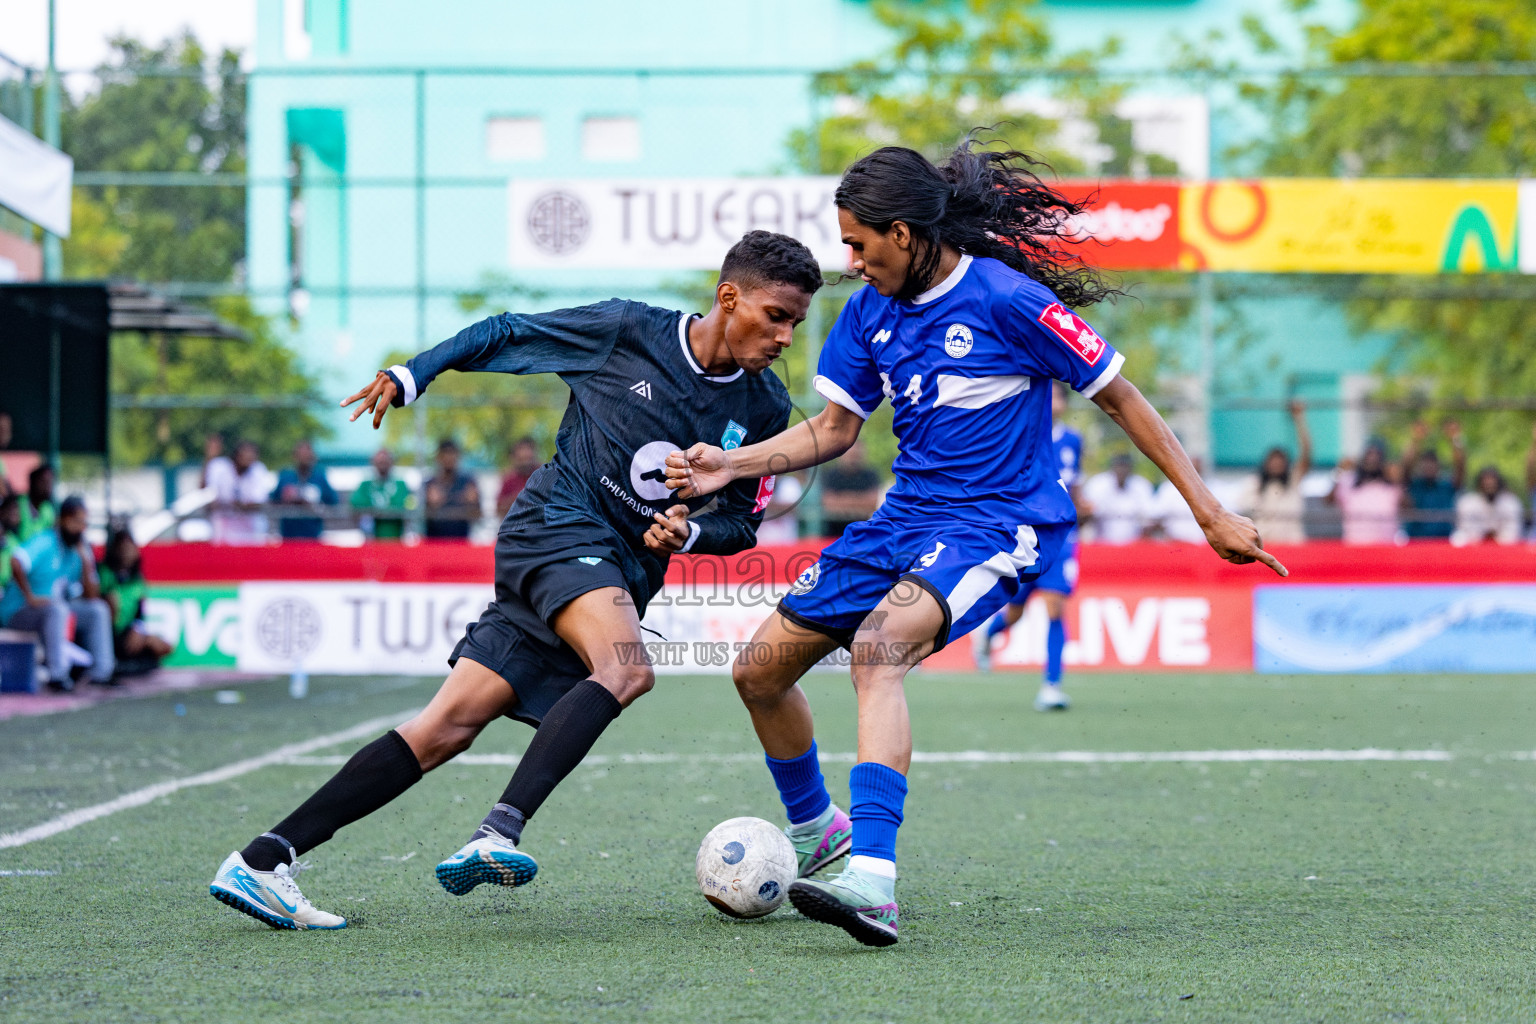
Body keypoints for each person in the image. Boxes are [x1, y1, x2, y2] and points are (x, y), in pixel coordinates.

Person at [666, 140, 1284, 948]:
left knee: (879, 651)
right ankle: (821, 831)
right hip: (904, 521)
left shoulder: (1008, 301)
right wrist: (729, 466)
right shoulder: (866, 312)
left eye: (858, 242)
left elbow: (1121, 397)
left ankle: (874, 884)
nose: (848, 259)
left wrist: (1208, 511)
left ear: (903, 232)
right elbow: (832, 429)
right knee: (758, 672)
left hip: (998, 523)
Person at [208, 229, 821, 931]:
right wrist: (414, 374)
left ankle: (263, 861)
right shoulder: (628, 330)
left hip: (610, 573)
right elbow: (509, 331)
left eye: (795, 323)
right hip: (557, 527)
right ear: (728, 297)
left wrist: (690, 532)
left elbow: (741, 523)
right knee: (625, 667)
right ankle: (498, 831)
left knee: (444, 728)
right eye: (776, 316)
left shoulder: (767, 410)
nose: (784, 335)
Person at [973, 381, 1082, 712]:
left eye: (1060, 397)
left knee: (1055, 608)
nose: (1055, 403)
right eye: (1051, 397)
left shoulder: (1074, 440)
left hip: (1061, 538)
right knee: (1016, 613)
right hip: (1024, 535)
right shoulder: (1023, 434)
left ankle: (1052, 685)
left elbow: (1075, 484)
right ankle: (989, 636)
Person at [0, 497, 115, 690]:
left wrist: (86, 561)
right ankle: (58, 675)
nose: (80, 528)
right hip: (19, 611)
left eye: (83, 523)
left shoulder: (78, 549)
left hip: (55, 609)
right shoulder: (45, 541)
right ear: (63, 519)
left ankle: (101, 673)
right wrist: (30, 597)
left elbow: (92, 595)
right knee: (57, 609)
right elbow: (16, 561)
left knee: (98, 609)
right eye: (76, 521)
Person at [1237, 399, 1312, 545]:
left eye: (1280, 462)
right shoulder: (1253, 484)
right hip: (1263, 548)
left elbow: (1306, 453)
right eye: (1273, 462)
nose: (1277, 465)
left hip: (1292, 547)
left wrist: (1299, 419)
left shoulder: (1293, 480)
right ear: (1266, 464)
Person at [99, 529, 174, 675]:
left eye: (130, 548)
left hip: (128, 633)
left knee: (163, 646)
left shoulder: (137, 580)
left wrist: (139, 631)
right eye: (123, 548)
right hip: (109, 632)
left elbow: (140, 616)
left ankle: (128, 665)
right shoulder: (105, 573)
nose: (127, 552)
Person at [1400, 420, 1465, 540]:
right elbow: (1406, 465)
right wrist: (1416, 439)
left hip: (1443, 543)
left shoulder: (1447, 486)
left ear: (1438, 467)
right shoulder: (1414, 485)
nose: (1429, 468)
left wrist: (1454, 439)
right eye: (1425, 464)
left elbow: (1460, 466)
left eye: (1432, 464)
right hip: (1416, 542)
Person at [1331, 439, 1402, 545]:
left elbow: (1407, 504)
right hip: (1355, 550)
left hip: (1386, 550)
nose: (1373, 459)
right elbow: (1328, 500)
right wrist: (1339, 472)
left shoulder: (1391, 486)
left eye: (1377, 455)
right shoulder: (1349, 481)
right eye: (1369, 454)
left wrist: (1398, 479)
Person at [270, 441, 339, 541]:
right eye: (301, 454)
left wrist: (313, 505)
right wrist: (289, 500)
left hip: (312, 533)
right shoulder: (285, 477)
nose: (304, 458)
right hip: (288, 534)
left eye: (307, 454)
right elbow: (273, 500)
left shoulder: (319, 477)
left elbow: (333, 501)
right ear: (294, 456)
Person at [207, 441, 272, 545]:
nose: (249, 457)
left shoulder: (258, 470)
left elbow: (259, 502)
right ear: (236, 454)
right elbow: (207, 494)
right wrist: (209, 457)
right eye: (246, 452)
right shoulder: (219, 467)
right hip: (224, 533)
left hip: (251, 534)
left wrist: (234, 505)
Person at [1082, 453, 1154, 544]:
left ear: (1131, 469)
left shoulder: (1141, 486)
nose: (1122, 470)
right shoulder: (1097, 485)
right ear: (1112, 467)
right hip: (1102, 544)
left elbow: (1150, 519)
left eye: (1125, 467)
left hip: (1133, 545)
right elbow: (1086, 515)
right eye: (1119, 466)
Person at [818, 440, 884, 537]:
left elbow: (873, 502)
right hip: (833, 532)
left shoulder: (871, 474)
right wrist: (860, 499)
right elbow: (829, 502)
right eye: (850, 454)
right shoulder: (830, 474)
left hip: (863, 531)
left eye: (855, 454)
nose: (852, 458)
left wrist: (842, 498)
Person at [350, 448, 414, 540]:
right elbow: (355, 502)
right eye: (379, 462)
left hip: (396, 538)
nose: (382, 465)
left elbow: (407, 503)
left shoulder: (400, 485)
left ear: (391, 462)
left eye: (385, 461)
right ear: (373, 463)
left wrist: (385, 510)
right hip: (371, 539)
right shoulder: (366, 485)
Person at [423, 439, 481, 540]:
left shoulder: (468, 483)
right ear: (438, 457)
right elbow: (418, 517)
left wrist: (472, 503)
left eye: (452, 454)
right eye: (445, 454)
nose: (449, 458)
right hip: (433, 544)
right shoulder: (430, 484)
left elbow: (478, 515)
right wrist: (430, 505)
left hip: (461, 544)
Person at [1451, 466, 1523, 546]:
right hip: (1473, 548)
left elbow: (1514, 532)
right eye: (1486, 482)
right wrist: (1483, 535)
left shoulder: (1510, 503)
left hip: (1503, 549)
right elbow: (1463, 529)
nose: (1490, 485)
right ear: (1479, 484)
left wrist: (1495, 537)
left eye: (1493, 482)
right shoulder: (1468, 503)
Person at [495, 438, 542, 518]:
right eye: (521, 459)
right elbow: (498, 509)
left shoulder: (544, 474)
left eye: (528, 457)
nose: (525, 454)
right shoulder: (508, 479)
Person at [17, 464, 56, 543]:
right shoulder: (18, 504)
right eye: (43, 482)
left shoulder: (48, 509)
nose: (47, 487)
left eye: (50, 483)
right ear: (33, 482)